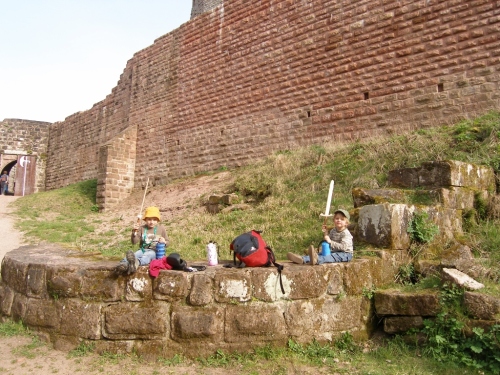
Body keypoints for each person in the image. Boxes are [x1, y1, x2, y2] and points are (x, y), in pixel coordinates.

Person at [114, 206, 169, 275]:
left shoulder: (161, 228)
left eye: (154, 219)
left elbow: (167, 242)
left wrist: (164, 242)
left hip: (155, 251)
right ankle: (123, 265)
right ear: (145, 219)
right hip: (143, 249)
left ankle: (135, 264)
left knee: (148, 255)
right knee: (135, 254)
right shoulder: (142, 228)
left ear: (158, 220)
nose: (151, 222)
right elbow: (134, 242)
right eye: (149, 219)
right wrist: (134, 233)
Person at [287, 209, 353, 265]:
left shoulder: (346, 233)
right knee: (321, 253)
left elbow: (343, 247)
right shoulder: (333, 230)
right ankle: (302, 259)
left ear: (346, 223)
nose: (339, 220)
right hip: (335, 251)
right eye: (337, 218)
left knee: (330, 257)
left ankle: (316, 260)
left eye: (342, 219)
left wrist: (330, 241)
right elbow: (328, 241)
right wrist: (326, 233)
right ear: (334, 220)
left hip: (345, 254)